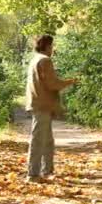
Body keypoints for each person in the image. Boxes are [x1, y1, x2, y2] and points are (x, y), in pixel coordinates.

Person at [25, 34, 76, 182]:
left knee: (47, 141)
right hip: (42, 104)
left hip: (38, 103)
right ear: (47, 46)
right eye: (52, 46)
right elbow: (52, 84)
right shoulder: (45, 61)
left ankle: (47, 171)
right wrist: (69, 82)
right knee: (38, 140)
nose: (53, 49)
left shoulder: (35, 60)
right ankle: (33, 174)